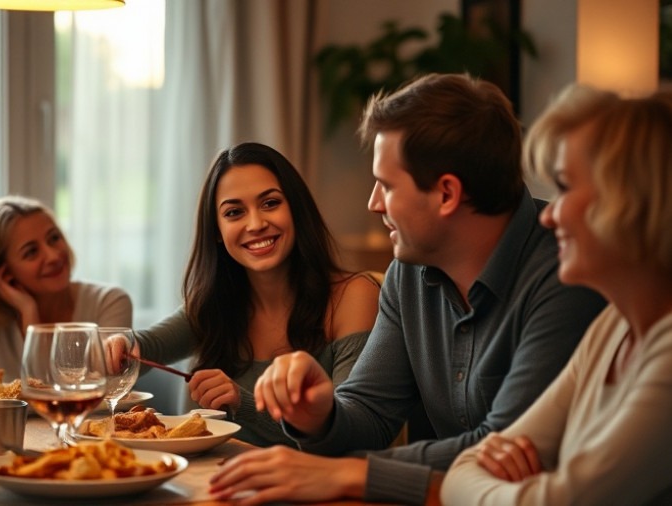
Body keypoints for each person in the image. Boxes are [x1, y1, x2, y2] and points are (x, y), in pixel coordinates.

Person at [209, 74, 607, 505]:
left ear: (447, 194)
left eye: (387, 184)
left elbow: (505, 449)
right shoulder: (409, 271)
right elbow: (370, 413)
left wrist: (348, 473)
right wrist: (320, 416)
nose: (374, 202)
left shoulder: (568, 272)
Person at [441, 87, 672, 505]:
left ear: (632, 200)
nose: (547, 213)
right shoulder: (613, 326)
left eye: (564, 187)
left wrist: (508, 485)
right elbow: (463, 467)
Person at [132, 142, 381, 448]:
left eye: (270, 203)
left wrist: (242, 402)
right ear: (217, 232)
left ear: (296, 210)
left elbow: (347, 436)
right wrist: (117, 345)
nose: (256, 224)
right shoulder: (215, 302)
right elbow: (145, 349)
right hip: (222, 486)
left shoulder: (353, 297)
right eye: (234, 212)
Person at [0, 195, 132, 380]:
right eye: (31, 252)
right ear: (4, 271)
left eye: (54, 238)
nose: (53, 256)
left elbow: (99, 389)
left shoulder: (109, 301)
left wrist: (32, 326)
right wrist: (29, 310)